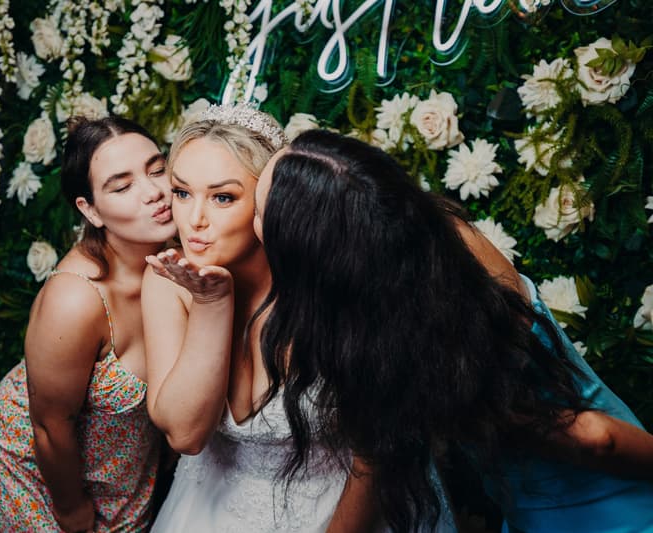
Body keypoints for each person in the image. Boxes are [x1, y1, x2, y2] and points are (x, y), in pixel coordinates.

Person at [253, 128, 653, 533]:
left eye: (257, 214)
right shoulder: (446, 241)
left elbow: (599, 438)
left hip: (600, 514)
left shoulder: (421, 358)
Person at [141, 104, 384, 532]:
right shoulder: (167, 279)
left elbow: (378, 457)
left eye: (223, 197)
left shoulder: (327, 281)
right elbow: (185, 435)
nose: (194, 220)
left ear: (269, 201)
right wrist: (210, 303)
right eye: (182, 192)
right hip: (211, 509)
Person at [0, 116, 176, 533]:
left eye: (157, 169)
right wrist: (73, 513)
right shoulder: (76, 298)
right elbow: (49, 425)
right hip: (42, 475)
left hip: (124, 472)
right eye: (122, 186)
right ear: (90, 209)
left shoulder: (181, 256)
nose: (154, 192)